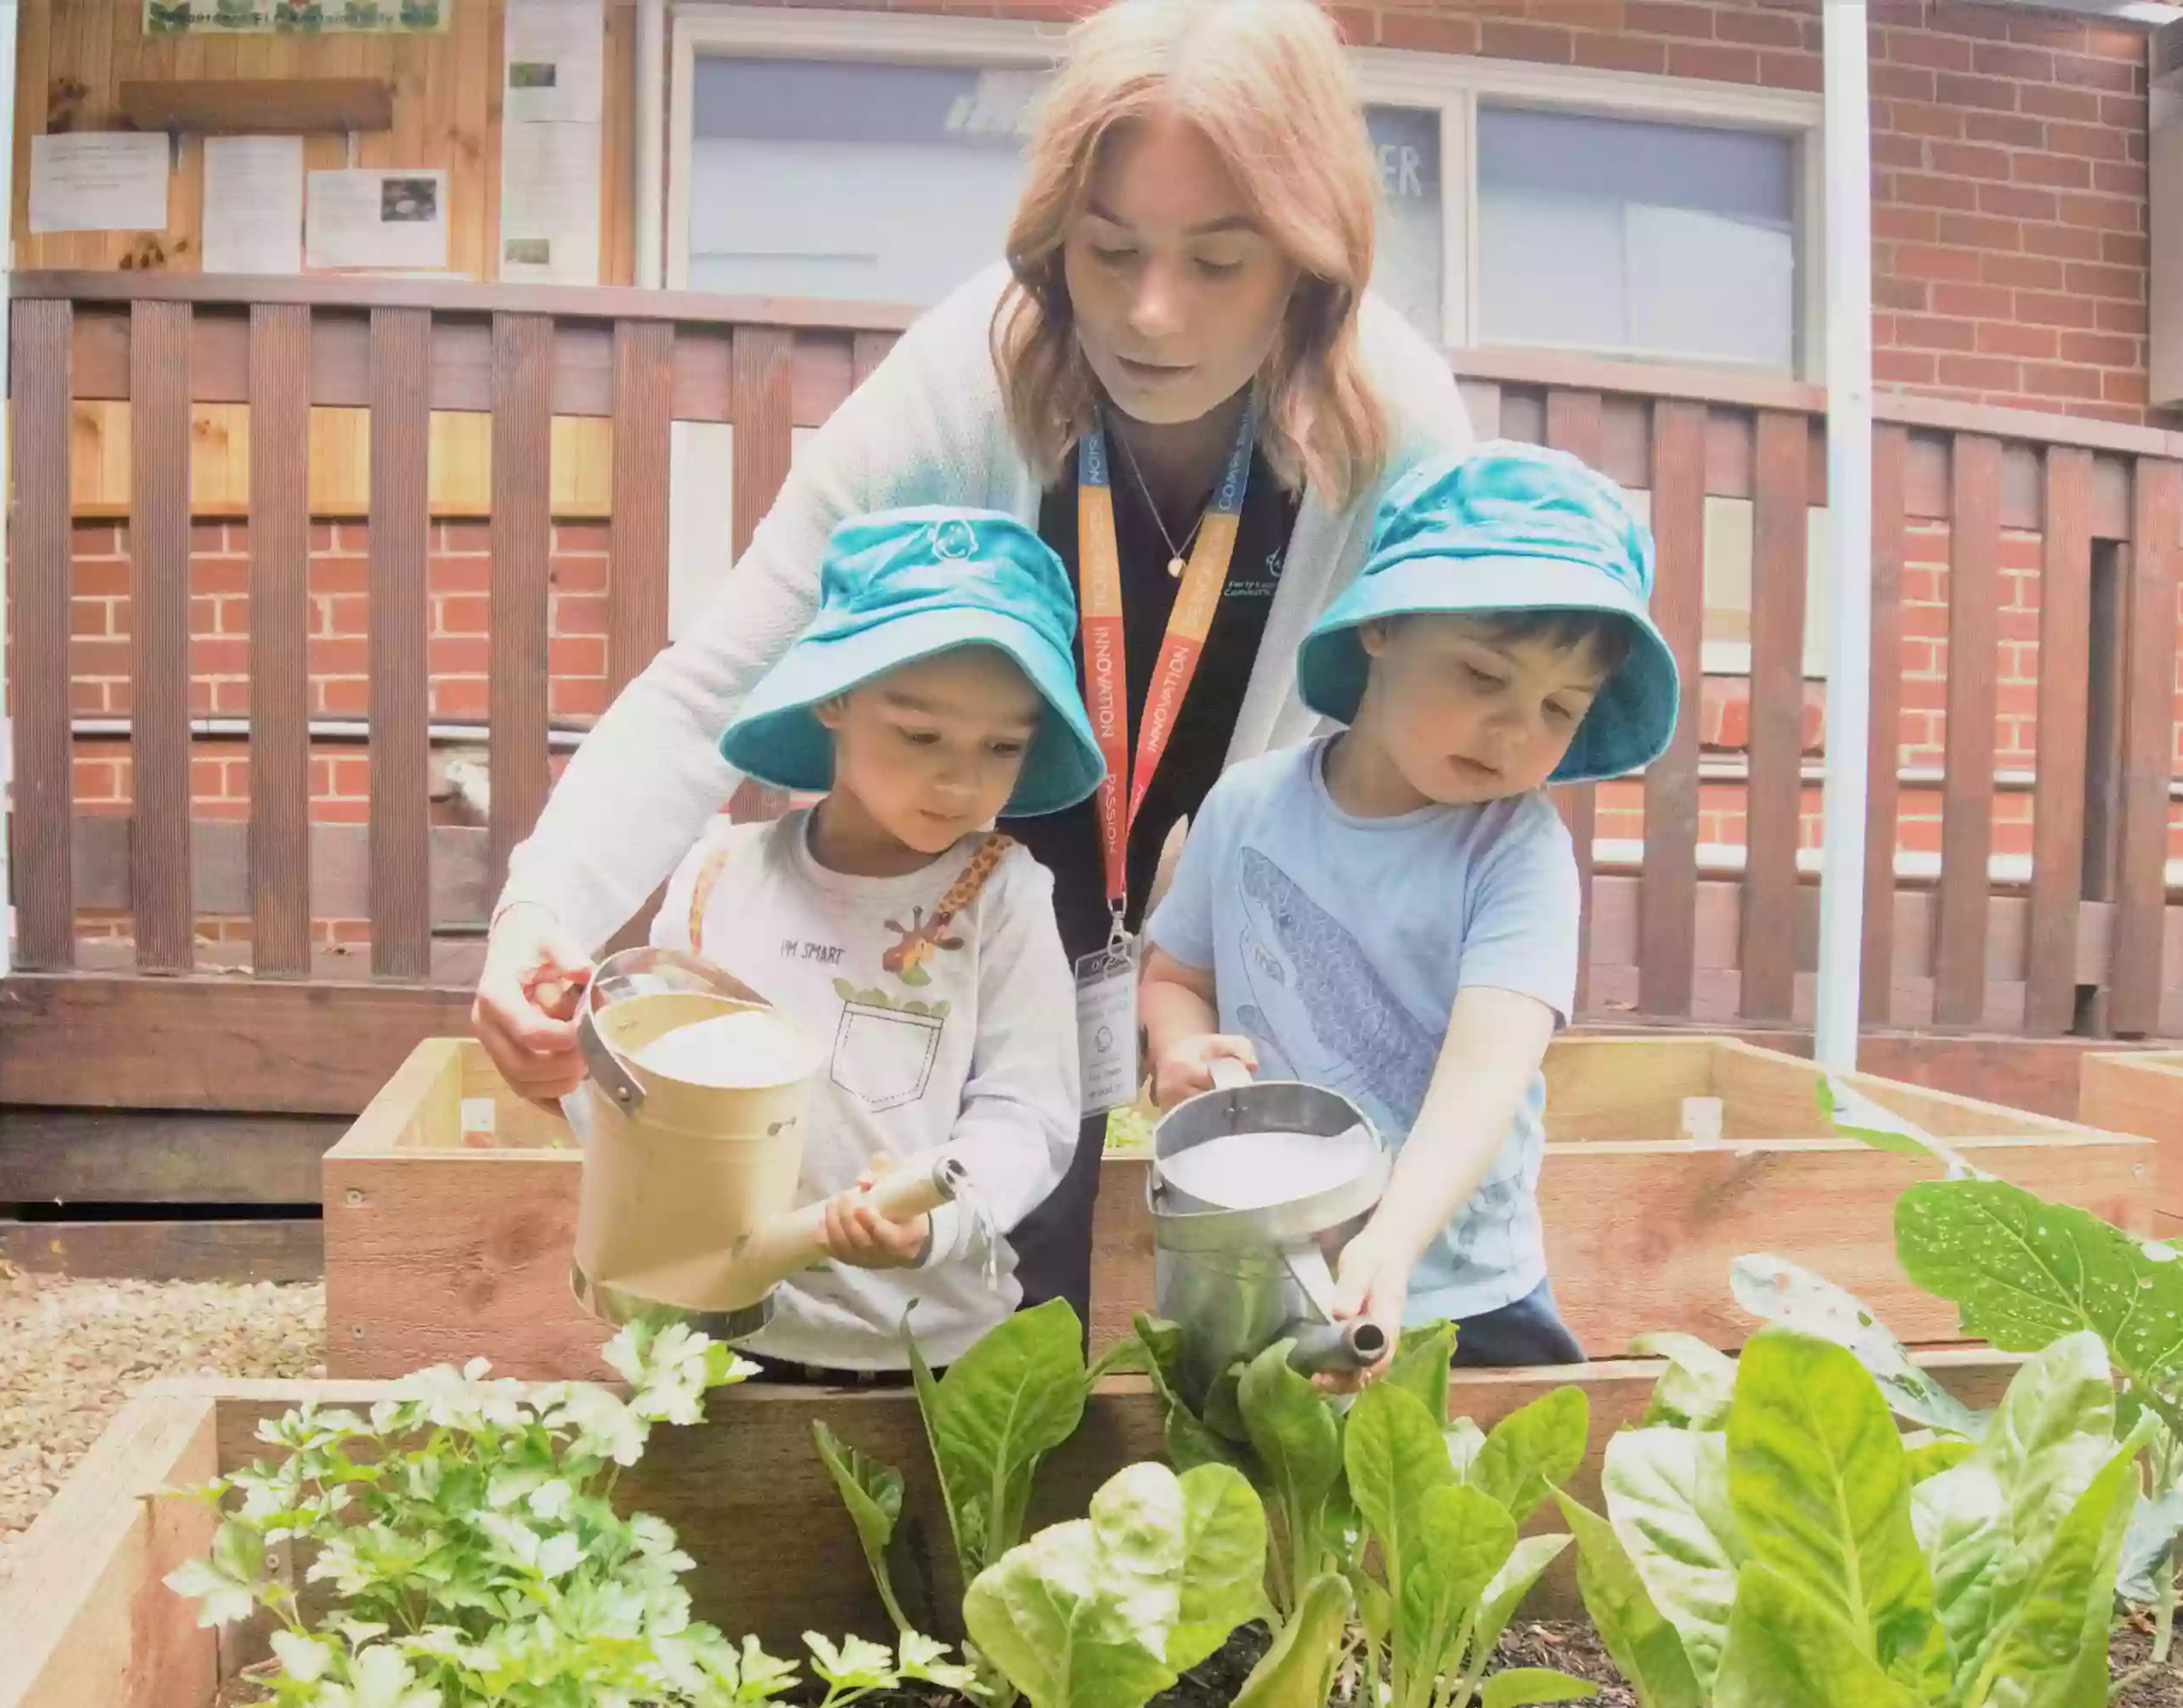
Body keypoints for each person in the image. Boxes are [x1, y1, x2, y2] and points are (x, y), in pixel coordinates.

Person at [473, 0, 1471, 1334]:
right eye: (1108, 251)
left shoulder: (1394, 423)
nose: (1152, 313)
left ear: (1309, 264)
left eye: (1218, 262)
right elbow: (725, 677)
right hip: (1005, 818)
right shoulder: (961, 376)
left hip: (1271, 847)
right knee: (994, 1219)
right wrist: (542, 911)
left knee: (1286, 1279)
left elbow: (1441, 752)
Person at [1137, 443, 1682, 1369]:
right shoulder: (1246, 808)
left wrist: (1389, 1242)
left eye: (1561, 709)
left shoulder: (1515, 853)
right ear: (1379, 629)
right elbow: (1176, 975)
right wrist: (1179, 1047)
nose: (1515, 731)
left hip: (1459, 1291)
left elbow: (1484, 1078)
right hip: (1250, 1263)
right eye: (1481, 676)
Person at [647, 508, 1101, 1377]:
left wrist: (935, 1219)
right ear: (833, 695)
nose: (959, 778)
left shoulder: (1003, 898)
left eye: (1002, 746)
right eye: (920, 734)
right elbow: (656, 1105)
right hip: (733, 1337)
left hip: (936, 1346)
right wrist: (573, 1064)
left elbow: (1029, 1113)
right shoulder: (718, 881)